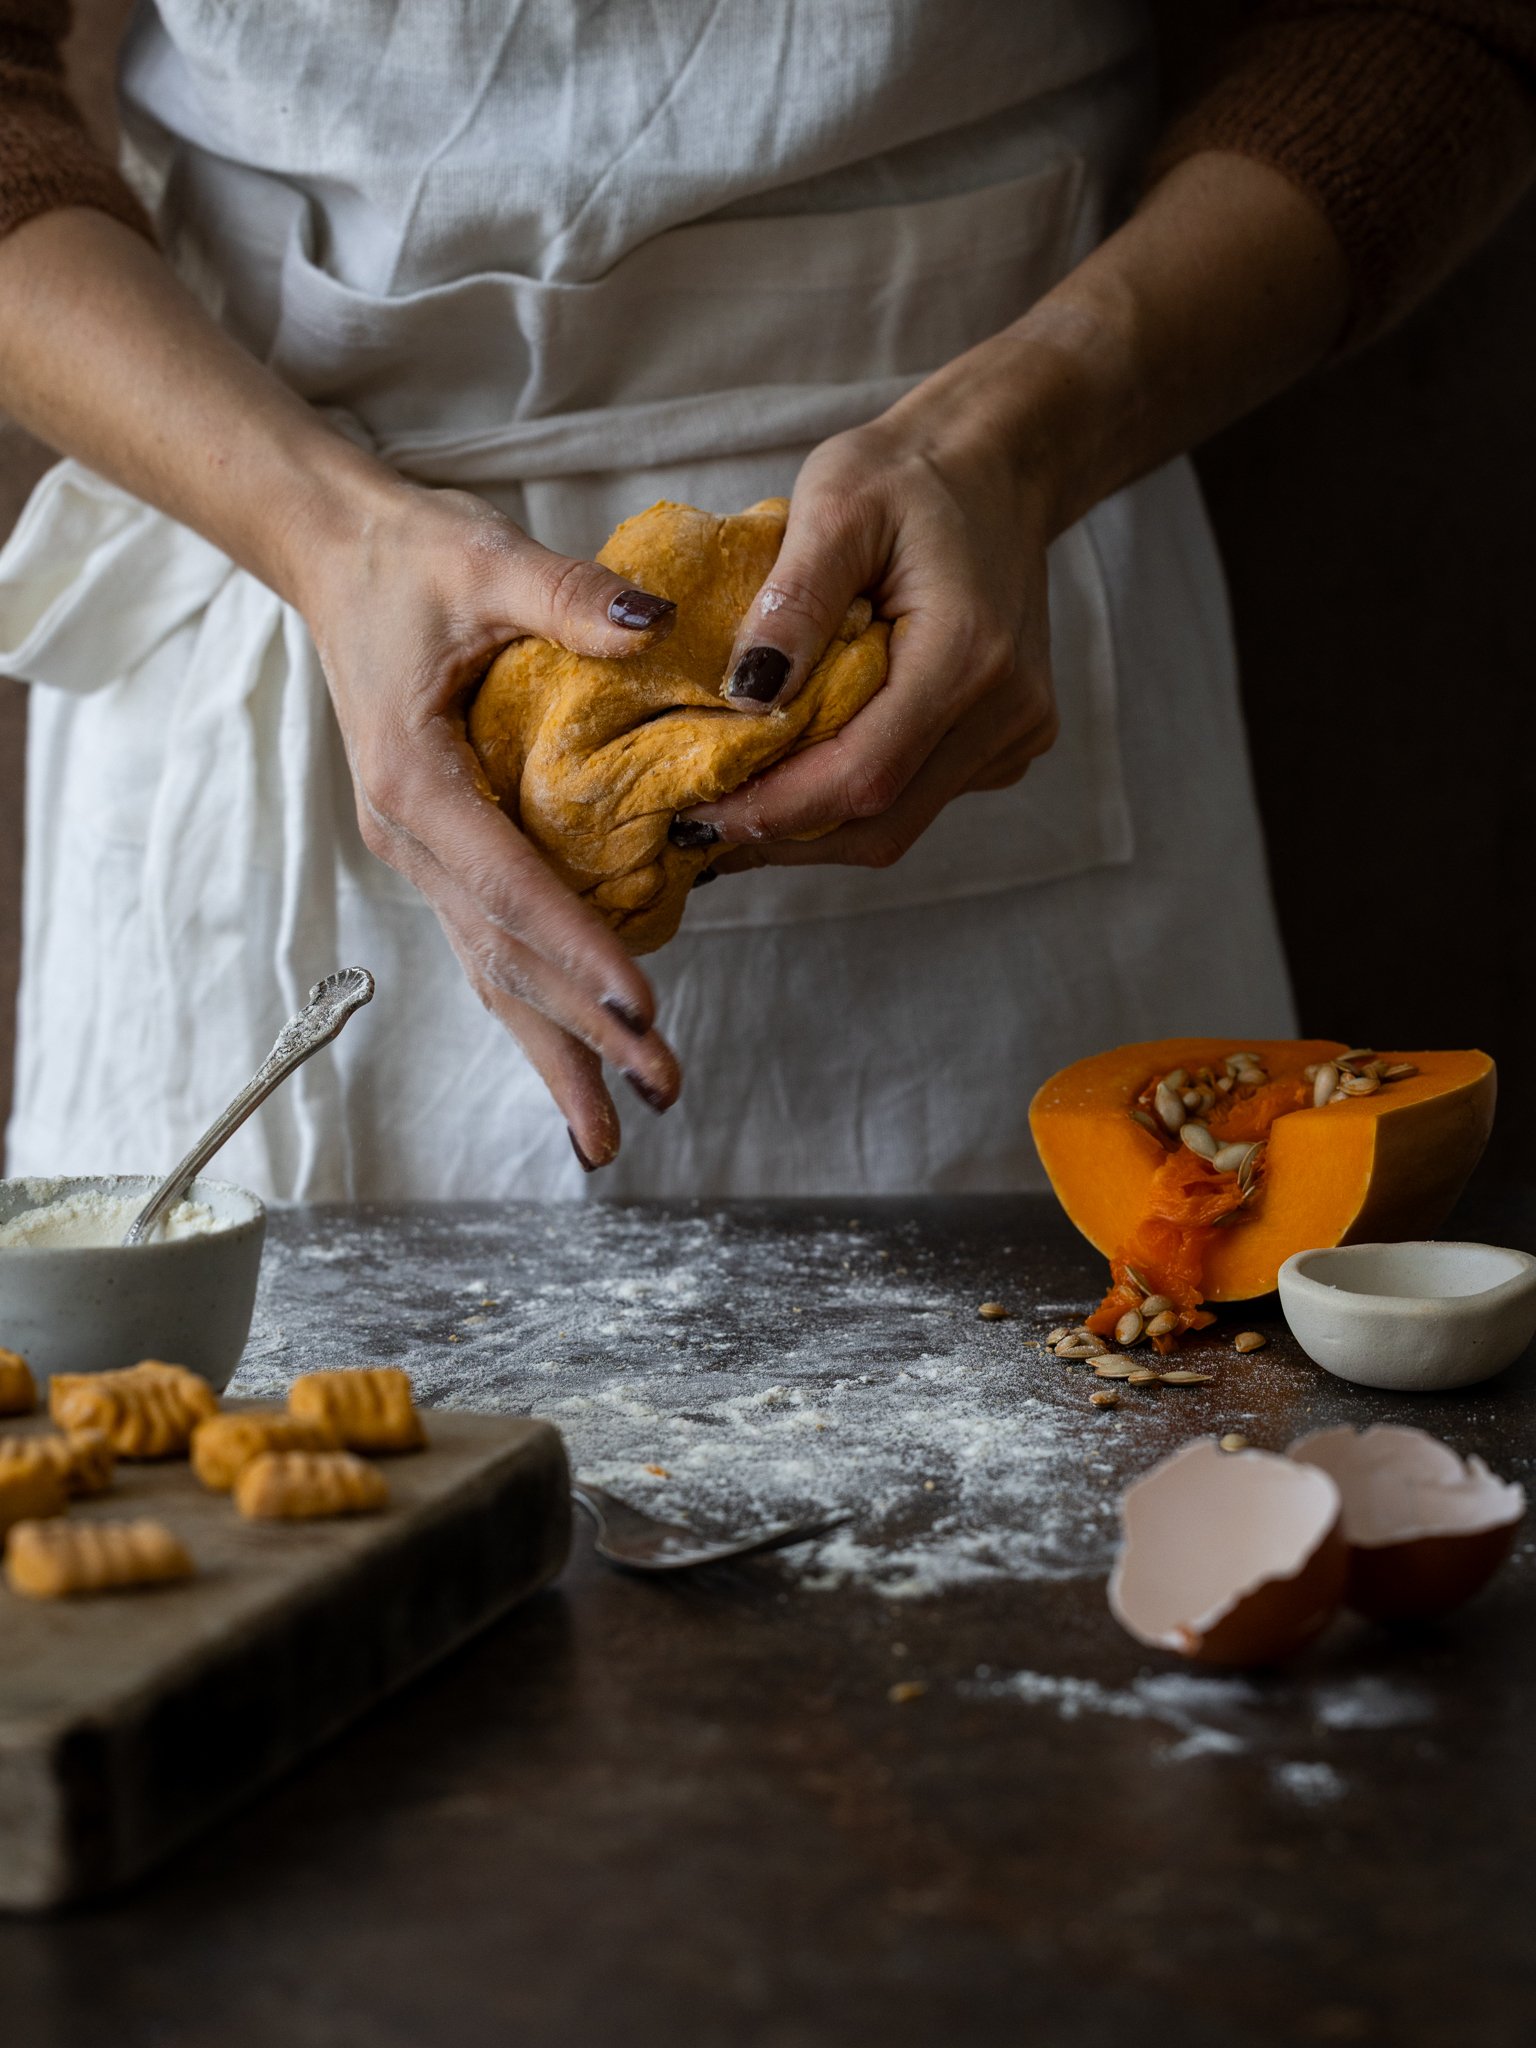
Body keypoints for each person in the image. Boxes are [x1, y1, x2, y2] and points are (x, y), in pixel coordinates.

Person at [0, 2, 1530, 1202]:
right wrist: (318, 532)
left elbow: (1430, 23)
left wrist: (1017, 440)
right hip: (261, 526)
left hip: (982, 588)